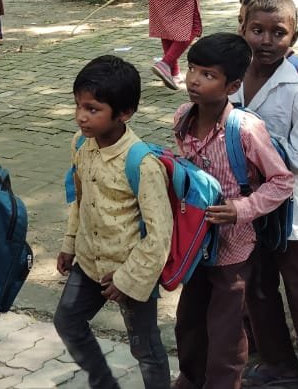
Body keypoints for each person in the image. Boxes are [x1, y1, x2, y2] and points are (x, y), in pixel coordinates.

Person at [171, 32, 294, 389]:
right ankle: (190, 377)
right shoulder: (182, 118)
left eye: (208, 74)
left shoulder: (246, 130)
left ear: (232, 86)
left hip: (235, 247)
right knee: (189, 318)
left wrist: (241, 209)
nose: (194, 80)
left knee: (225, 328)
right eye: (192, 69)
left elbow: (282, 182)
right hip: (195, 242)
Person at [231, 0, 298, 389]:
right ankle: (279, 362)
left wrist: (261, 147)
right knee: (257, 287)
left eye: (278, 33)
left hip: (289, 210)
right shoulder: (231, 83)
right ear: (242, 29)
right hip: (245, 206)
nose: (266, 41)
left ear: (293, 38)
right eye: (257, 30)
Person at [55, 55, 172, 387]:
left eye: (93, 109)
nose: (81, 116)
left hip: (131, 269)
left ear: (124, 113)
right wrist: (69, 244)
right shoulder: (81, 144)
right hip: (89, 260)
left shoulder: (142, 164)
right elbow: (80, 199)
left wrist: (127, 279)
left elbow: (160, 235)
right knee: (67, 321)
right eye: (78, 105)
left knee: (145, 348)